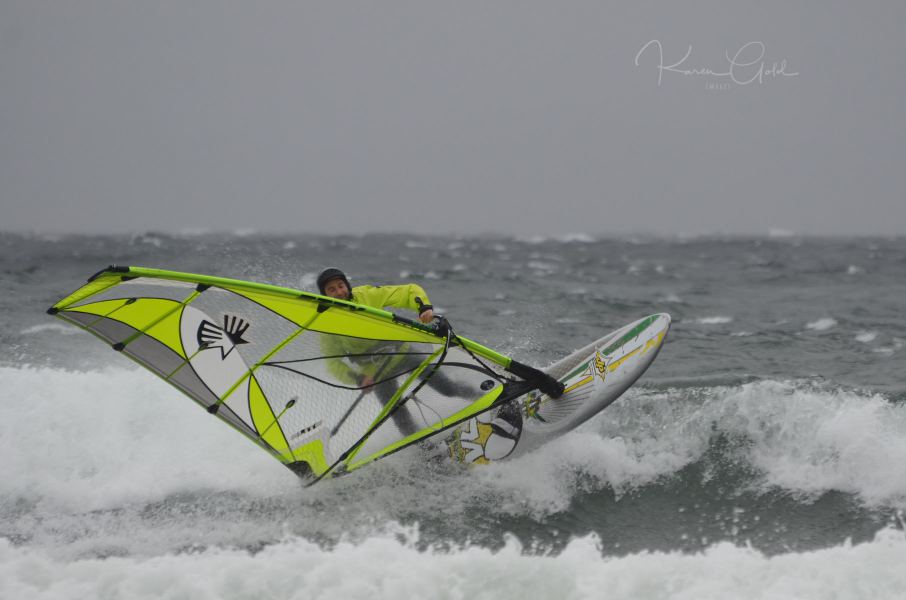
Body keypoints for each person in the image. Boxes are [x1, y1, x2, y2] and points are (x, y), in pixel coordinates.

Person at [316, 267, 471, 434]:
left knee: (447, 388)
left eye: (341, 285)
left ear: (347, 285)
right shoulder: (327, 322)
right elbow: (332, 363)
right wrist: (358, 379)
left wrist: (424, 307)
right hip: (376, 374)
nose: (339, 292)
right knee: (402, 420)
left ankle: (484, 399)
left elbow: (407, 291)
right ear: (324, 295)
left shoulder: (367, 295)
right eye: (331, 289)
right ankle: (430, 456)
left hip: (403, 354)